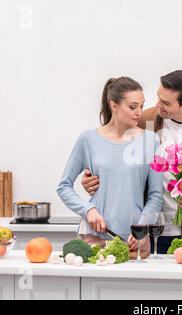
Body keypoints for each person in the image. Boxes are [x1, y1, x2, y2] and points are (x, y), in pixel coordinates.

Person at [81, 70, 182, 253]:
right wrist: (93, 180)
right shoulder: (142, 121)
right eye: (158, 97)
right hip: (144, 232)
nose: (158, 105)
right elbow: (114, 158)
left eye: (166, 103)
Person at [57, 77, 163, 254]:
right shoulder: (88, 139)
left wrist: (143, 225)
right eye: (132, 107)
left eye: (141, 106)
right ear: (114, 106)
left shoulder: (150, 141)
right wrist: (88, 210)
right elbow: (63, 187)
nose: (139, 112)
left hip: (136, 239)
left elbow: (155, 195)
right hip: (95, 236)